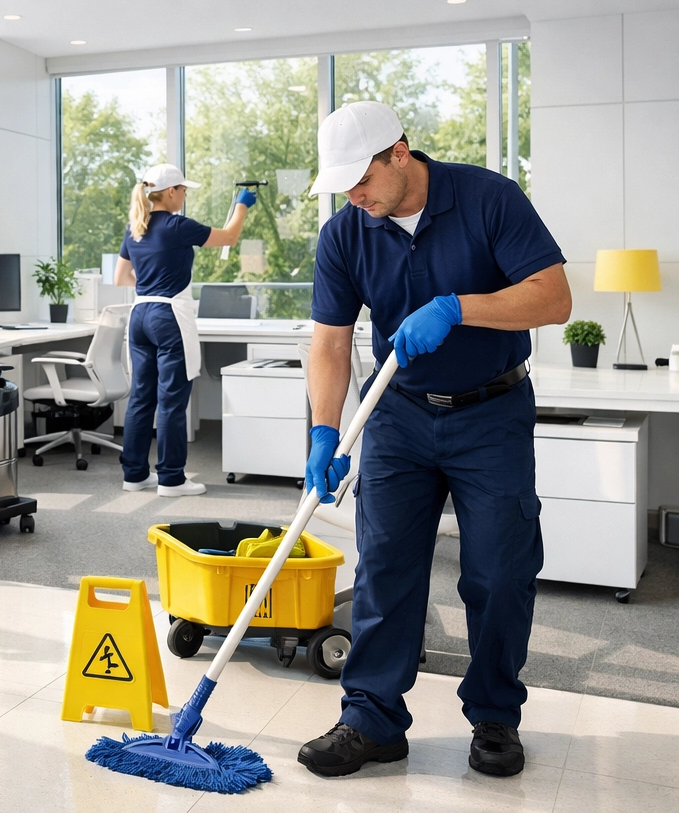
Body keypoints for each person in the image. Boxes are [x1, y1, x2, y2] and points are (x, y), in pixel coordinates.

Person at [297, 101, 569, 780]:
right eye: (342, 187)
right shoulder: (346, 233)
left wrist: (459, 308)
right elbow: (329, 343)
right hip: (397, 416)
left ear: (399, 152)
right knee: (384, 565)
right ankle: (372, 718)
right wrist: (325, 431)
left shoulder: (488, 199)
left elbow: (553, 297)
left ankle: (495, 716)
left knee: (498, 570)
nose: (354, 198)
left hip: (491, 413)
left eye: (360, 179)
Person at [114, 164, 253, 496]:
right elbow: (229, 236)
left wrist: (150, 287)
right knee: (172, 400)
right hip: (167, 317)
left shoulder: (136, 227)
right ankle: (171, 479)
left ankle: (134, 475)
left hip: (140, 315)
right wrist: (243, 205)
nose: (185, 196)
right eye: (184, 190)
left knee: (141, 398)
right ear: (172, 191)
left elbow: (121, 278)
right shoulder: (176, 225)